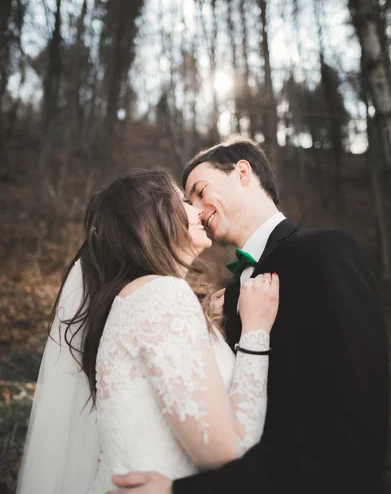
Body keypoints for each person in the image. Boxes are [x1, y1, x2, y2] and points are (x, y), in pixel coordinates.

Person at [111, 137, 389, 494]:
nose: (195, 210)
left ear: (243, 173)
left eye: (200, 191)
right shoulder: (227, 294)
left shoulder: (327, 253)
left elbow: (351, 435)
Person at [16, 168, 279, 494]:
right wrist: (255, 331)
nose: (198, 209)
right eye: (183, 200)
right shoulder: (162, 297)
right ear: (152, 218)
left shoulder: (141, 299)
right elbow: (228, 451)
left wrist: (211, 332)